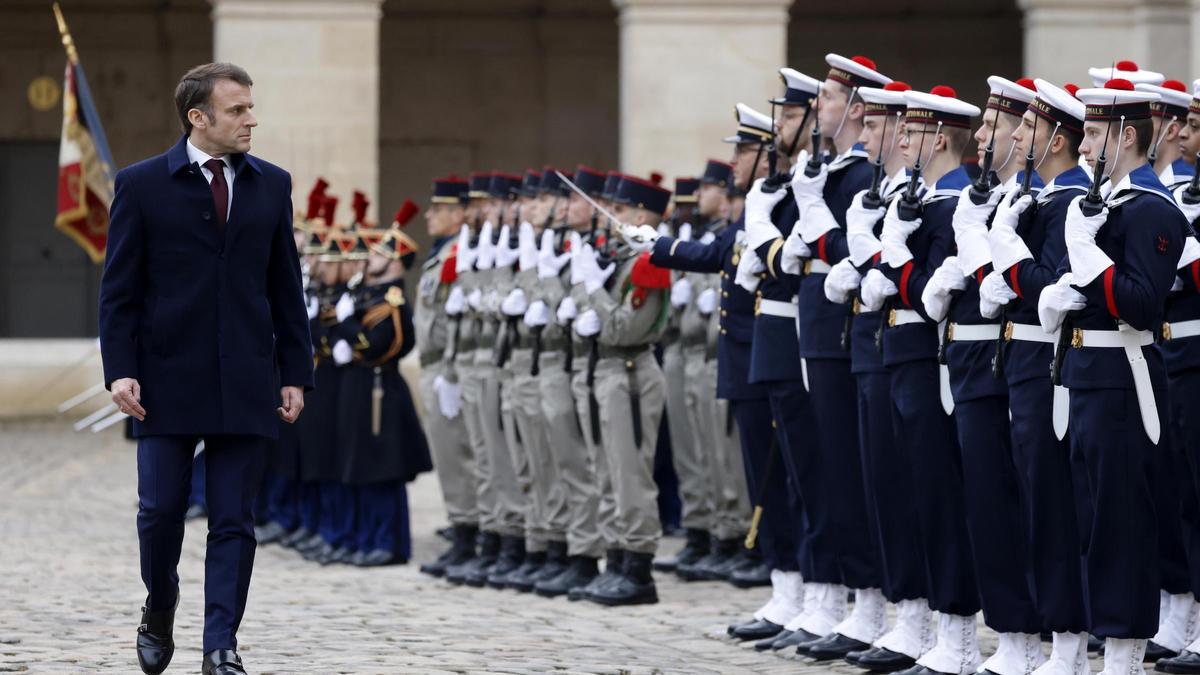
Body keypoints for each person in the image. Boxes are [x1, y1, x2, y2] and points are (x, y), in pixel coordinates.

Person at [99, 62, 313, 675]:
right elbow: (118, 292)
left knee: (233, 519)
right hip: (164, 380)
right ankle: (159, 606)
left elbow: (284, 287)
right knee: (160, 511)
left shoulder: (273, 184)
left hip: (247, 376)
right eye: (238, 109)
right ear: (199, 117)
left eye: (251, 107)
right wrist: (120, 370)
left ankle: (221, 643)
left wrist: (294, 371)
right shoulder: (141, 185)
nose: (252, 119)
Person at [1040, 77, 1183, 674]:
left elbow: (1144, 303)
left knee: (1121, 520)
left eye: (1095, 133)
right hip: (1081, 372)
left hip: (1125, 377)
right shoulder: (1094, 205)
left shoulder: (1153, 210)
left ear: (1128, 137)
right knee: (1087, 516)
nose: (1083, 144)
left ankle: (1123, 654)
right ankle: (1089, 643)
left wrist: (1091, 259)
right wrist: (1056, 294)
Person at [985, 78, 1093, 675]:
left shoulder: (1068, 201)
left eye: (1027, 129)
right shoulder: (1043, 199)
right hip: (1023, 360)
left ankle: (1071, 643)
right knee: (1036, 502)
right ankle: (1057, 638)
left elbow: (1050, 285)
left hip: (1047, 363)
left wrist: (1006, 254)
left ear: (1056, 139)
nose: (1016, 137)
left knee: (1054, 506)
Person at [574, 175, 674, 606]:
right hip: (608, 370)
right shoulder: (622, 260)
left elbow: (624, 327)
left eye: (617, 209)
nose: (609, 217)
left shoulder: (648, 264)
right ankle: (615, 560)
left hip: (631, 371)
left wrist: (593, 293)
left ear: (639, 215)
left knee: (631, 474)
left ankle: (638, 568)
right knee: (609, 472)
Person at [417, 175, 481, 577]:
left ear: (459, 215)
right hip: (434, 364)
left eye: (439, 210)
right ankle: (461, 529)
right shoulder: (441, 252)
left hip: (449, 365)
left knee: (463, 457)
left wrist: (454, 369)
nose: (429, 216)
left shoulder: (461, 252)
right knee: (448, 457)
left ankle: (470, 536)